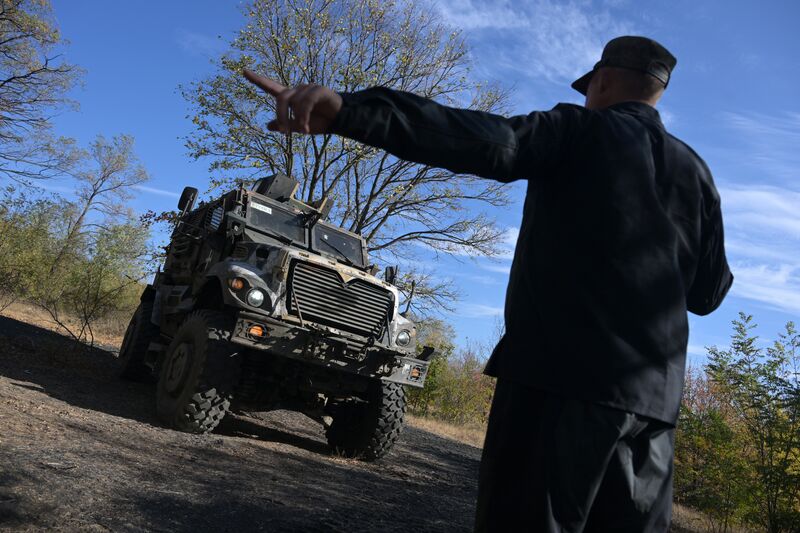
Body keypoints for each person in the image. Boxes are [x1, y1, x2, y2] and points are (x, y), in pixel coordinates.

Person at [243, 35, 733, 532]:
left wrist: (350, 112)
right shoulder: (698, 175)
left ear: (603, 80)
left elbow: (488, 140)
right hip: (653, 412)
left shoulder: (578, 129)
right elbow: (708, 294)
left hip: (557, 385)